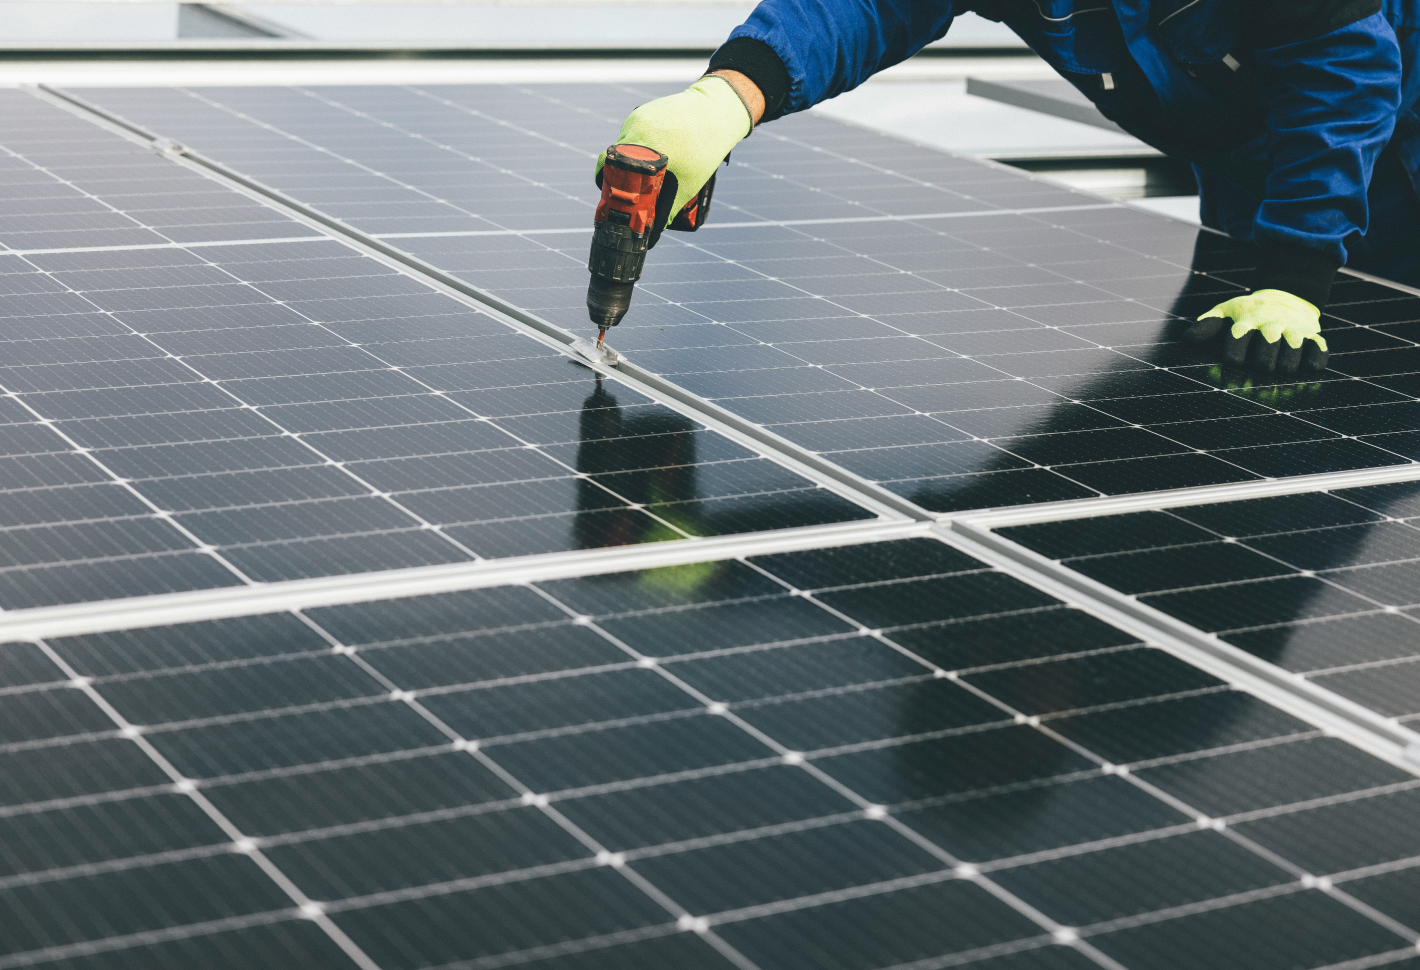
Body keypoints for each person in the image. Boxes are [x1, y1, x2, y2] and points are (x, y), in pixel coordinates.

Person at [596, 0, 1420, 375]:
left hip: (1393, 151)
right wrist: (731, 95)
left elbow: (1343, 80)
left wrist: (1293, 274)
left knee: (1370, 388)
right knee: (1224, 386)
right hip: (1244, 160)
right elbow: (864, 7)